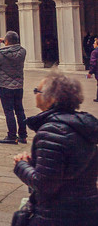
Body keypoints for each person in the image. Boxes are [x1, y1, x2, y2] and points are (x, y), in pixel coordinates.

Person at [13, 70, 98, 225]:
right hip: (87, 210)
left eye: (36, 91)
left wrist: (21, 165)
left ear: (50, 99)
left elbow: (45, 184)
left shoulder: (52, 131)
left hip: (57, 215)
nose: (35, 94)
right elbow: (71, 168)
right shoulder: (83, 126)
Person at [0, 30, 27, 144]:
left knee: (9, 111)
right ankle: (23, 135)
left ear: (7, 41)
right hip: (19, 85)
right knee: (20, 110)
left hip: (5, 85)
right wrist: (6, 41)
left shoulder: (1, 53)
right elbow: (13, 47)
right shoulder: (22, 51)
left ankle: (11, 136)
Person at [88, 38, 98, 102]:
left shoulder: (94, 52)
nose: (93, 44)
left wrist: (90, 72)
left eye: (94, 43)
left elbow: (93, 63)